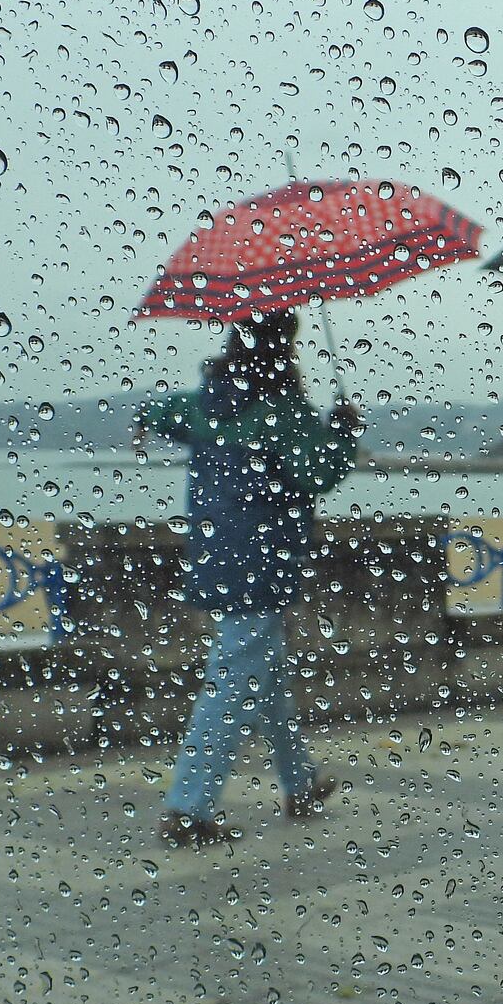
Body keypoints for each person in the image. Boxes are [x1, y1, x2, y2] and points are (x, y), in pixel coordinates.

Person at [137, 309, 361, 847]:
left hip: (214, 552)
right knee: (234, 678)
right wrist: (343, 431)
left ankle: (299, 782)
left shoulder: (206, 400)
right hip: (264, 562)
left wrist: (152, 422)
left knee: (266, 673)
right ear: (284, 347)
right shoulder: (284, 413)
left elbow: (159, 412)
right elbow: (318, 474)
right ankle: (188, 807)